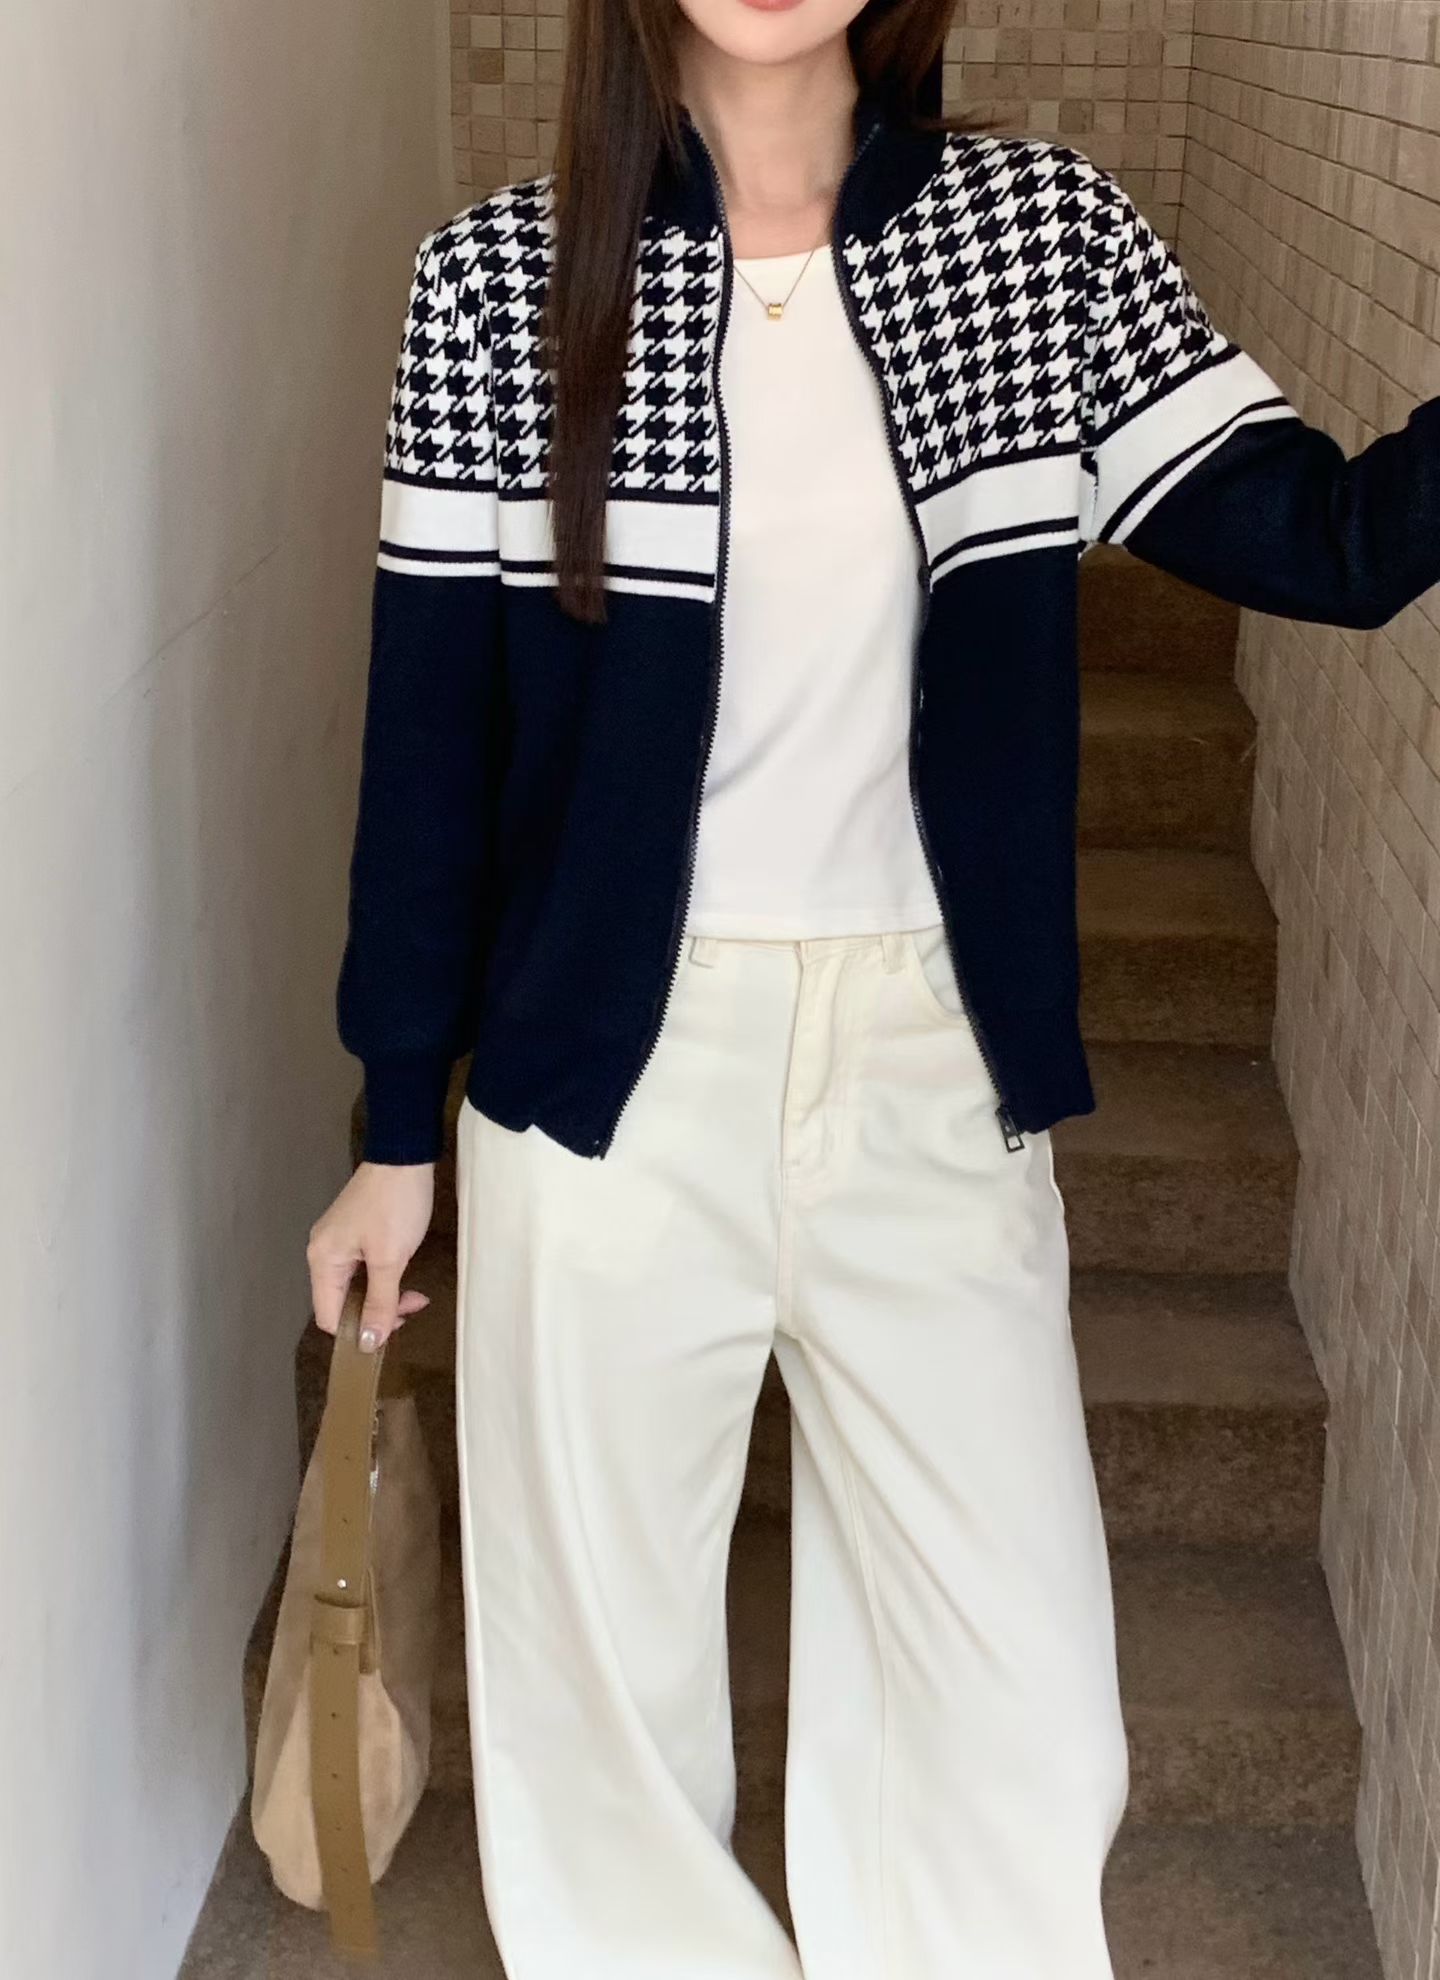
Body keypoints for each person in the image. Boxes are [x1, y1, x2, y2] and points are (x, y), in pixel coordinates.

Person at [305, 0, 1440, 1972]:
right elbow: (431, 749)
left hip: (928, 1059)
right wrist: (397, 1129)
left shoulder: (1035, 238)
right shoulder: (499, 280)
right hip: (606, 1079)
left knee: (1017, 1702)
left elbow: (1331, 544)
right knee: (596, 1717)